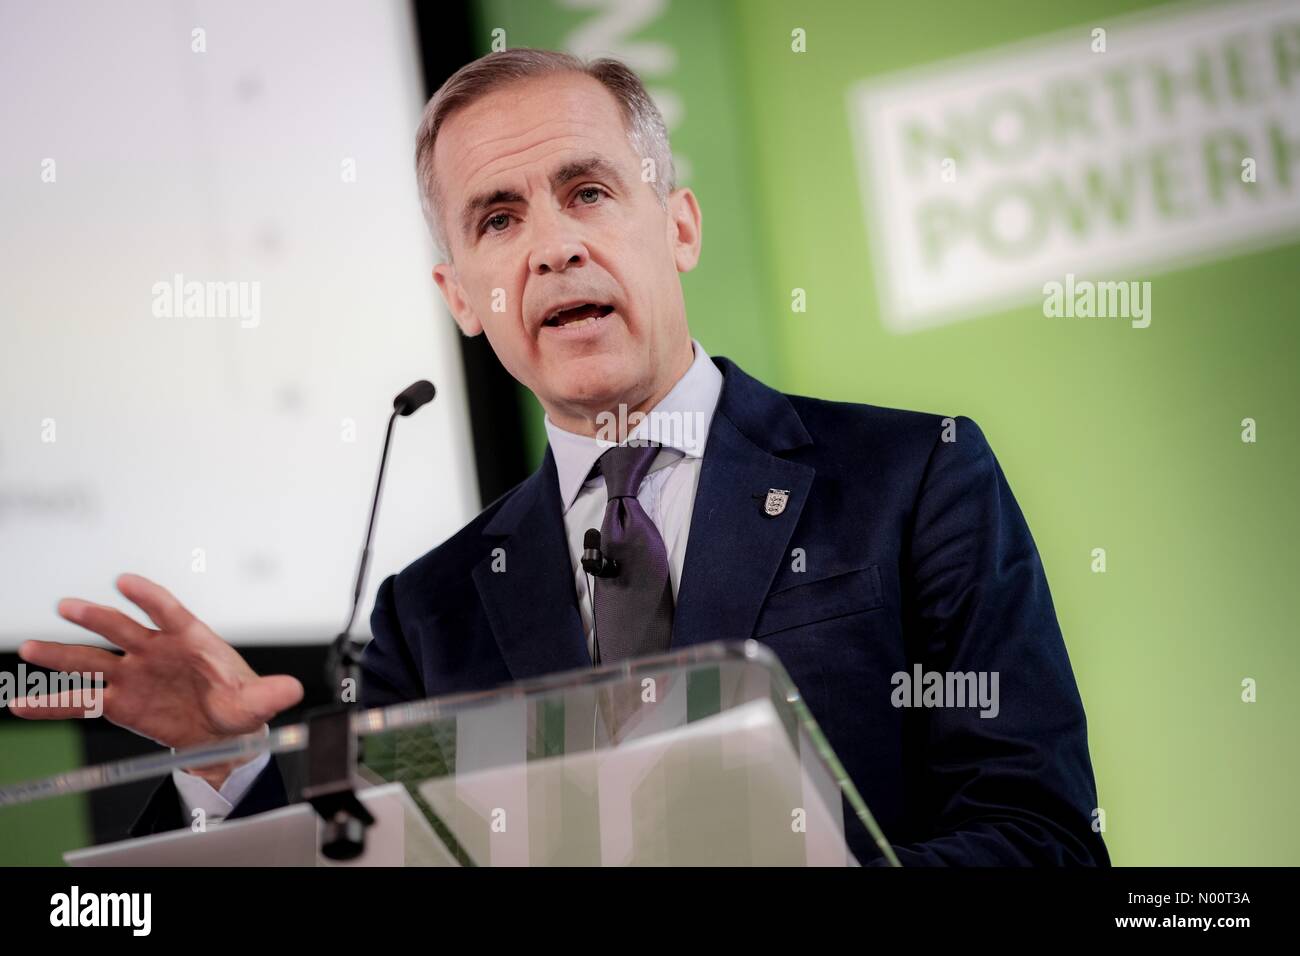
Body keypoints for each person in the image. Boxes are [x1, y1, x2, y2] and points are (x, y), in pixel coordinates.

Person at [10, 49, 1108, 866]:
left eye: (588, 191)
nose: (552, 243)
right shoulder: (426, 617)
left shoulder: (912, 479)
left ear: (675, 226)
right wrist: (223, 766)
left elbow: (1042, 837)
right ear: (463, 300)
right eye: (495, 218)